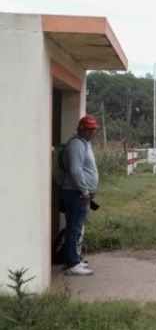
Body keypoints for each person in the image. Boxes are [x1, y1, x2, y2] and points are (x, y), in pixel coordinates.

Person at [59, 115, 100, 276]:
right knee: (73, 228)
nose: (92, 132)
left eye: (94, 129)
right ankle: (72, 263)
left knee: (76, 228)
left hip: (82, 193)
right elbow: (76, 170)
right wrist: (84, 190)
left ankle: (74, 258)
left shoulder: (85, 144)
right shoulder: (76, 144)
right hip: (75, 193)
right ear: (81, 129)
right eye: (89, 129)